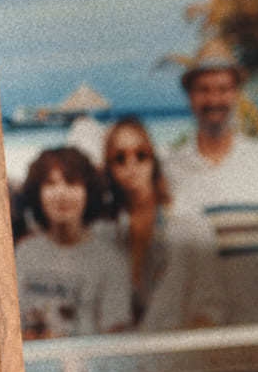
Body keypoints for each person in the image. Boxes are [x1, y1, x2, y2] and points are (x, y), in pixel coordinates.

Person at [162, 38, 258, 325]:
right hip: (194, 330)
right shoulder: (171, 169)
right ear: (190, 97)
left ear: (236, 94)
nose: (213, 100)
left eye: (223, 89)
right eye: (203, 90)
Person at [96, 116, 223, 331]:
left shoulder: (189, 224)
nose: (131, 164)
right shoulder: (103, 233)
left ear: (153, 160)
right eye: (119, 158)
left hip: (179, 346)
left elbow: (211, 305)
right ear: (109, 168)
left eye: (141, 155)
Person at [15, 147, 131, 339]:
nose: (61, 193)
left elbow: (115, 339)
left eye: (71, 183)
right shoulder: (24, 253)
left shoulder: (110, 261)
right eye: (51, 184)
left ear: (88, 192)